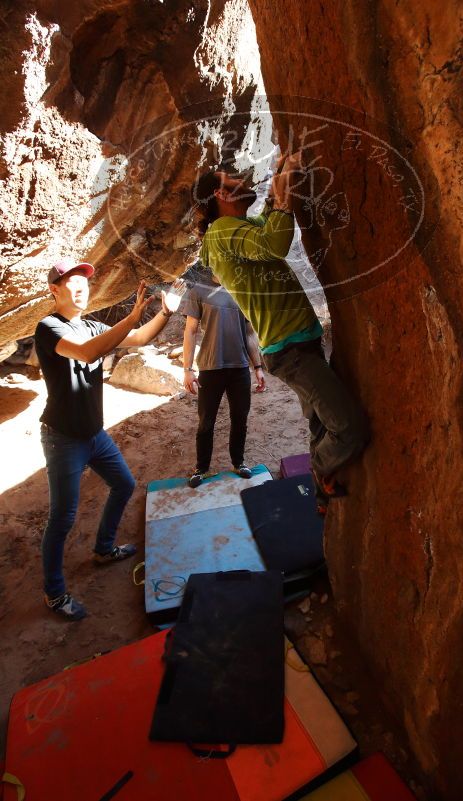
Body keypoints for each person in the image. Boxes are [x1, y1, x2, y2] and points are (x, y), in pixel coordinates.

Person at [190, 153, 369, 512]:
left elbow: (263, 226)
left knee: (319, 419)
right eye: (232, 180)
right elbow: (273, 243)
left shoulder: (231, 230)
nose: (242, 180)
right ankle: (321, 470)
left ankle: (321, 498)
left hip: (294, 343)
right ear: (220, 197)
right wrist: (284, 195)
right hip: (291, 351)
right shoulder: (223, 231)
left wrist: (277, 186)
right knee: (348, 427)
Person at [35, 257, 180, 620]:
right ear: (55, 289)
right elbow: (88, 352)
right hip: (63, 438)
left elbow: (140, 337)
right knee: (63, 518)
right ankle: (54, 593)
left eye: (84, 279)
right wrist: (130, 317)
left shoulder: (93, 325)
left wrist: (165, 312)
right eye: (72, 281)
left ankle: (103, 548)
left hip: (93, 434)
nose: (82, 285)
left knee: (124, 484)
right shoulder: (49, 327)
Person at [178, 262, 265, 488]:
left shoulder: (241, 291)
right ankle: (202, 469)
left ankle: (238, 462)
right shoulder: (197, 291)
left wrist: (258, 367)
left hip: (239, 368)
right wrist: (187, 369)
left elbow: (249, 332)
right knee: (206, 421)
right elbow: (190, 331)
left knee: (240, 418)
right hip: (210, 367)